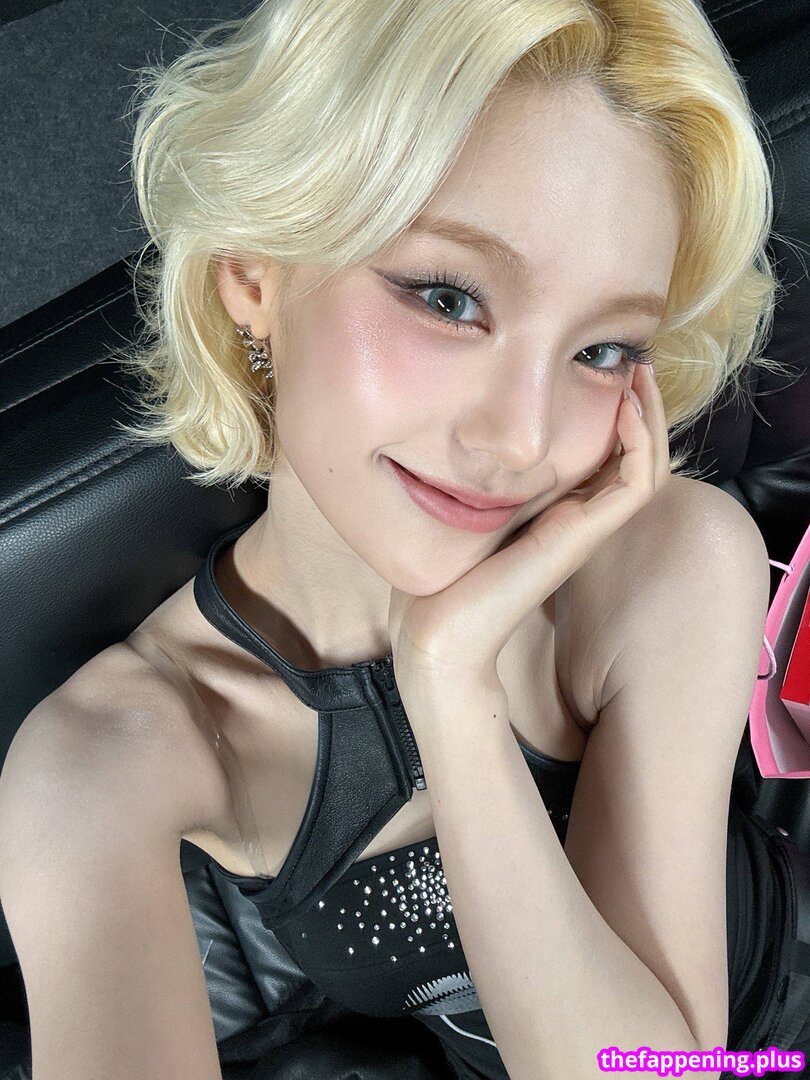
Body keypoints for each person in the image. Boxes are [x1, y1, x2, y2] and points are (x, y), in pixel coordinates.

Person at [0, 1, 808, 1079]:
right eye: (448, 298)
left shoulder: (666, 561)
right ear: (254, 272)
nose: (521, 441)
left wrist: (452, 692)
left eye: (605, 349)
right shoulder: (112, 754)